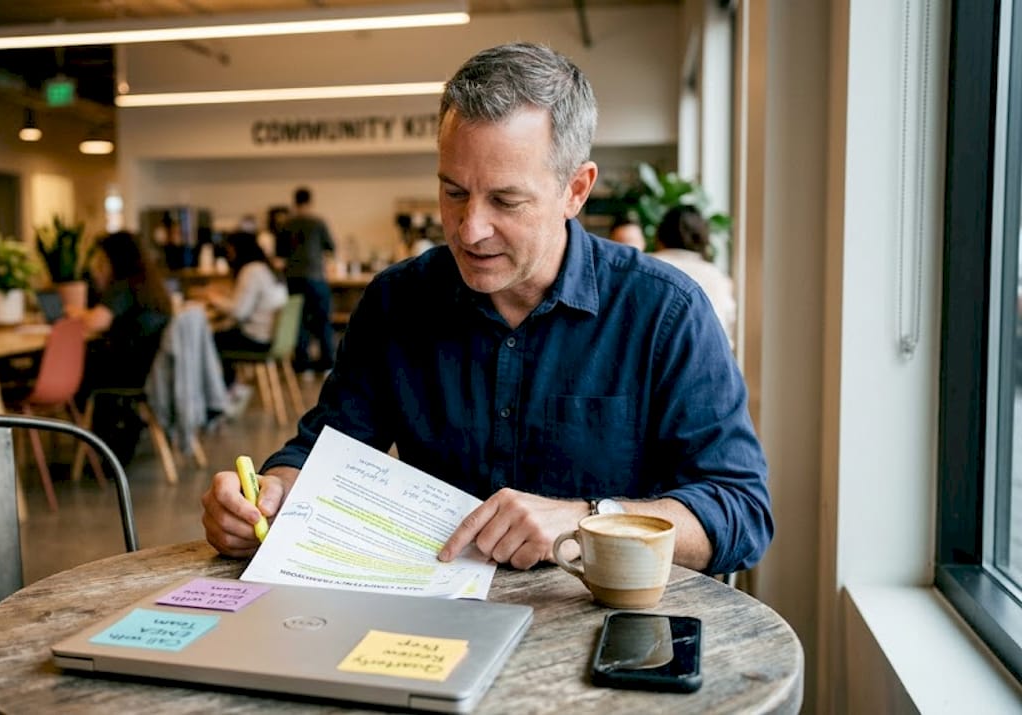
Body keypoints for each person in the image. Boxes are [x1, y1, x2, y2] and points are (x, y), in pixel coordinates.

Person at [202, 42, 771, 577]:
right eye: (453, 192)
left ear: (576, 190)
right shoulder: (397, 302)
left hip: (599, 632)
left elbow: (740, 510)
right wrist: (270, 494)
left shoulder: (663, 313)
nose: (470, 230)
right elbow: (323, 450)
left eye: (505, 200)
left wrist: (591, 520)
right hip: (428, 623)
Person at [71, 231, 174, 463]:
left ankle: (95, 444)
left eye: (101, 259)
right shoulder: (150, 284)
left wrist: (75, 312)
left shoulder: (123, 286)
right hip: (145, 370)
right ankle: (121, 427)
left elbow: (98, 321)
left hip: (126, 373)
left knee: (79, 376)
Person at [209, 231, 289, 385]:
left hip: (257, 339)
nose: (229, 255)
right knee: (222, 334)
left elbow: (240, 312)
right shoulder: (267, 268)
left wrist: (215, 301)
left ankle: (223, 391)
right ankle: (229, 389)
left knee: (208, 339)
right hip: (274, 337)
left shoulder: (251, 270)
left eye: (230, 250)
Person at [650, 205, 737, 348]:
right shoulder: (718, 278)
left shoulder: (645, 268)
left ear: (660, 236)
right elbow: (726, 334)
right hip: (709, 361)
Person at [276, 187, 336, 374]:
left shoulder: (286, 224)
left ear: (295, 202)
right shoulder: (318, 223)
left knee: (298, 322)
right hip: (316, 276)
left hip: (293, 278)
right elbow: (331, 248)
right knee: (322, 320)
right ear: (310, 202)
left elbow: (280, 254)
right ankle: (327, 363)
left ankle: (303, 365)